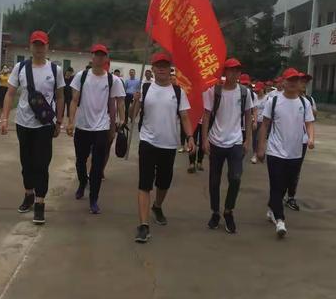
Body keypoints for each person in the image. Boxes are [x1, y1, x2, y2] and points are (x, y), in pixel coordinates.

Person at [0, 30, 65, 225]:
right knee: (26, 163)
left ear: (47, 46)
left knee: (42, 164)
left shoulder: (55, 70)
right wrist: (4, 118)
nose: (38, 48)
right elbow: (10, 94)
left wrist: (59, 121)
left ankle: (40, 203)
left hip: (44, 125)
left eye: (42, 44)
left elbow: (61, 96)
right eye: (35, 44)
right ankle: (28, 194)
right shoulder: (20, 67)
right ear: (30, 46)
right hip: (23, 123)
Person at [132, 53, 194, 243]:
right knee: (144, 183)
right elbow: (132, 115)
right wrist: (135, 101)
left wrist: (190, 137)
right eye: (158, 65)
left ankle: (157, 206)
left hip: (169, 144)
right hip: (147, 142)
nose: (161, 68)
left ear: (170, 69)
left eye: (165, 65)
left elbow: (184, 117)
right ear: (152, 68)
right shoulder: (145, 88)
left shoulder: (178, 92)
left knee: (164, 183)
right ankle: (143, 225)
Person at [257, 68, 315, 238]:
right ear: (283, 82)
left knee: (285, 185)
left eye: (296, 80)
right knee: (276, 184)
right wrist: (261, 147)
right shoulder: (274, 101)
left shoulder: (304, 103)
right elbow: (265, 125)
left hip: (295, 153)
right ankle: (280, 220)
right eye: (289, 80)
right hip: (275, 151)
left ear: (299, 83)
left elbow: (310, 123)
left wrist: (311, 138)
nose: (293, 83)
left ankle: (271, 207)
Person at [67, 44, 125, 214]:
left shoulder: (112, 80)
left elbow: (119, 101)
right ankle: (82, 182)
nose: (99, 58)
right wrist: (71, 121)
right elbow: (74, 100)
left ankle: (94, 198)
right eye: (96, 55)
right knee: (80, 161)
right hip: (83, 126)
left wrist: (122, 118)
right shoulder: (81, 76)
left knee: (97, 166)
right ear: (92, 57)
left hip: (101, 128)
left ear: (106, 58)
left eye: (103, 55)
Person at [202, 58, 253, 234]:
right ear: (224, 72)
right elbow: (206, 116)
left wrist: (248, 140)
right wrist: (204, 139)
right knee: (214, 181)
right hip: (216, 141)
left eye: (237, 70)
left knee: (235, 178)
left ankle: (228, 210)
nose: (234, 73)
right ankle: (215, 212)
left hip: (235, 142)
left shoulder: (245, 92)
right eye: (230, 70)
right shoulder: (214, 91)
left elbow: (248, 116)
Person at [284, 72, 317, 210]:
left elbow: (312, 118)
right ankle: (278, 193)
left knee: (295, 170)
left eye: (305, 83)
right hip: (285, 139)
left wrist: (310, 138)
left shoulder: (308, 100)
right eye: (302, 82)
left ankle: (291, 196)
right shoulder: (282, 99)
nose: (303, 85)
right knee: (282, 169)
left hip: (301, 141)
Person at [251, 82, 268, 164]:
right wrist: (255, 121)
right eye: (256, 90)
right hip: (257, 120)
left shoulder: (267, 98)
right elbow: (254, 110)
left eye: (259, 90)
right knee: (255, 138)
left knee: (262, 138)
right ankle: (255, 154)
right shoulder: (255, 98)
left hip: (264, 121)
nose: (258, 92)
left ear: (263, 89)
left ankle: (261, 152)